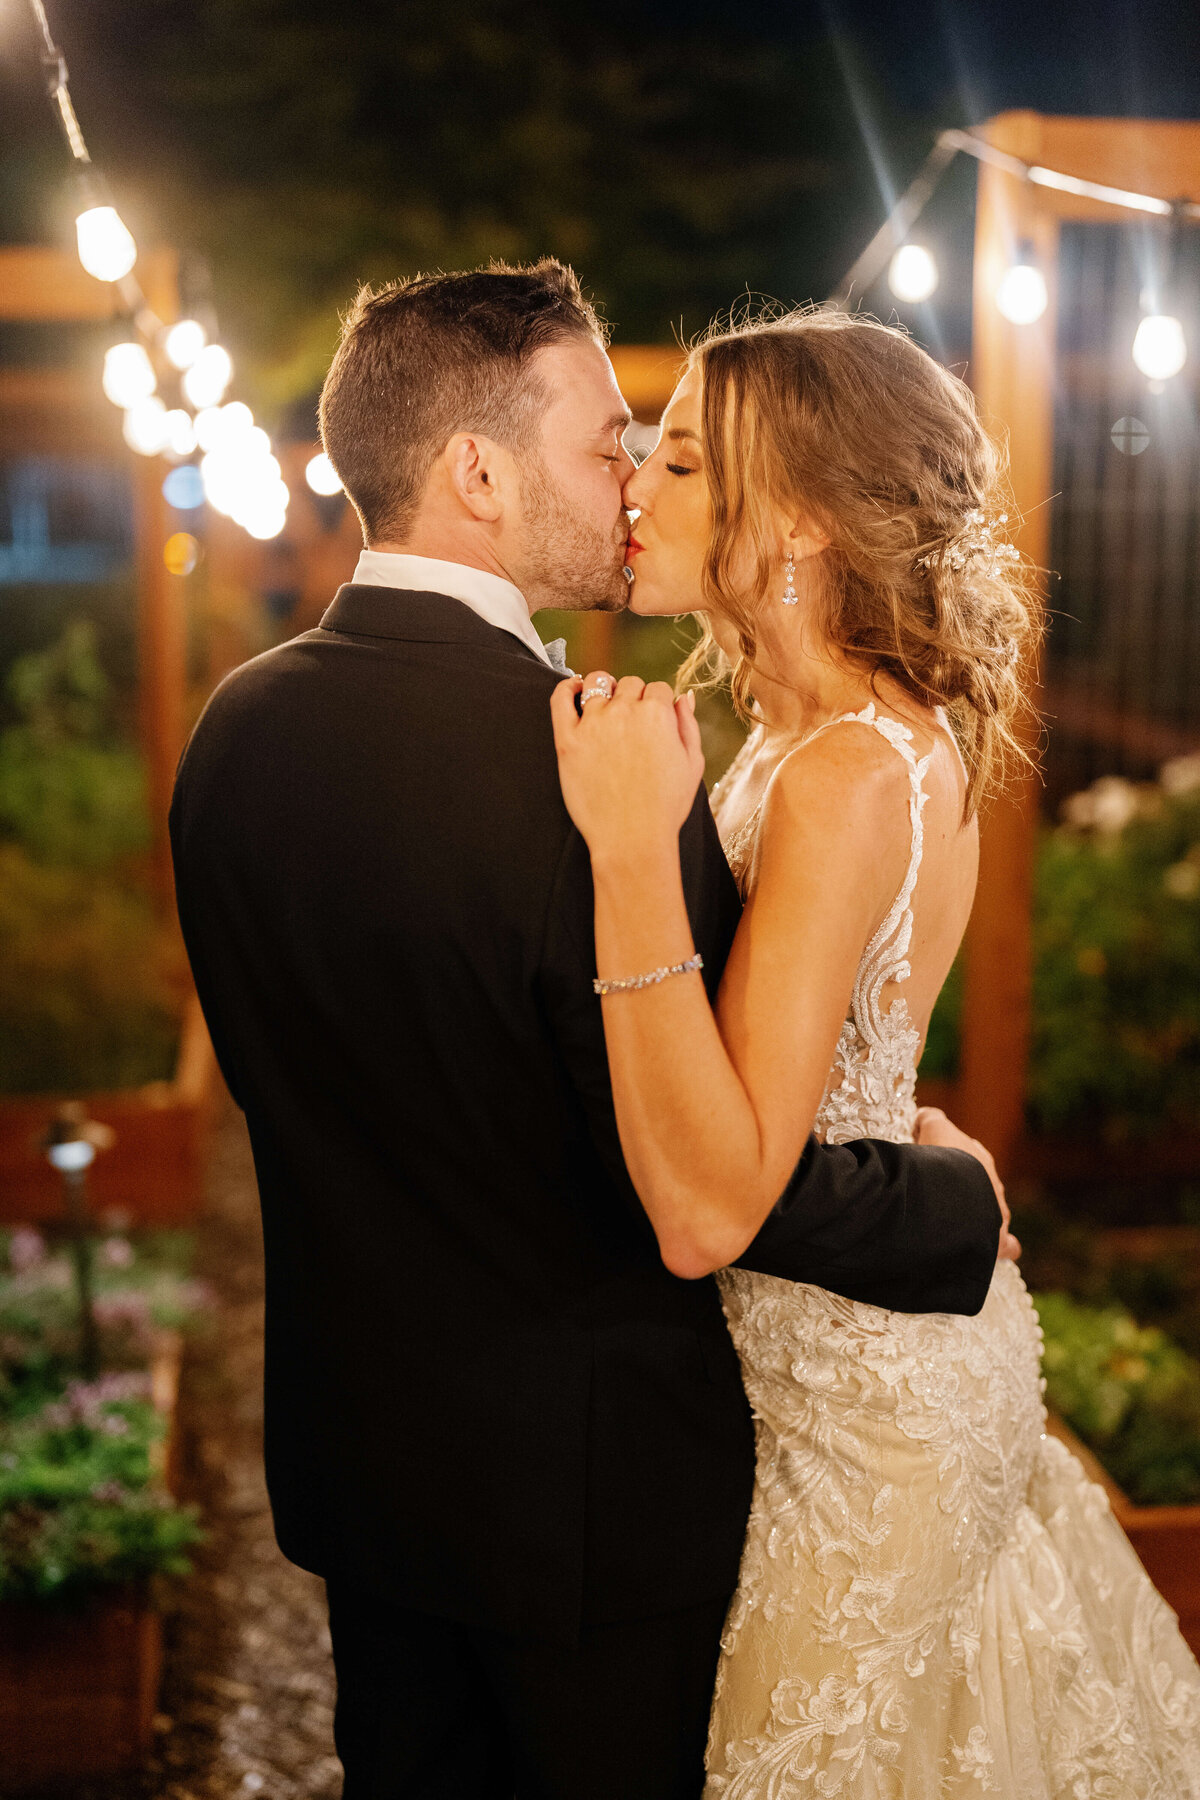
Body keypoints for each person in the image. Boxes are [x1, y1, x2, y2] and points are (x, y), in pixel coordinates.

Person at [170, 261, 1008, 1800]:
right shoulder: (598, 778)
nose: (627, 475)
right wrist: (943, 1205)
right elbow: (678, 1163)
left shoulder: (235, 735)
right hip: (597, 1510)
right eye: (607, 438)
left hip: (366, 1480)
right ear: (476, 471)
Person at [551, 306, 1200, 1796]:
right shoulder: (814, 740)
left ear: (792, 518)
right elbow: (842, 1044)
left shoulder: (846, 771)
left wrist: (624, 851)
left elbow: (716, 1195)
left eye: (684, 462)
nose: (635, 489)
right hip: (853, 1359)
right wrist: (902, 1119)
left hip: (867, 1415)